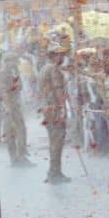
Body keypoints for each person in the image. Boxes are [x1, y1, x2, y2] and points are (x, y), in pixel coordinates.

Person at [40, 42, 71, 184]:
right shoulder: (53, 69)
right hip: (55, 109)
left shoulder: (44, 68)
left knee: (54, 141)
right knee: (57, 141)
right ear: (53, 55)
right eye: (60, 54)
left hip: (48, 108)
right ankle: (55, 172)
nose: (63, 56)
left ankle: (53, 171)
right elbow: (58, 90)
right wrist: (63, 108)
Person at [0, 47, 33, 167]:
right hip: (8, 106)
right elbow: (3, 91)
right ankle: (14, 158)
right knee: (11, 131)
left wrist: (17, 87)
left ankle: (21, 154)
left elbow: (20, 86)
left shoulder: (15, 71)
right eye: (11, 61)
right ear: (6, 61)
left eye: (15, 60)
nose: (14, 63)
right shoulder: (3, 73)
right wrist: (8, 107)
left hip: (15, 104)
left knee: (21, 129)